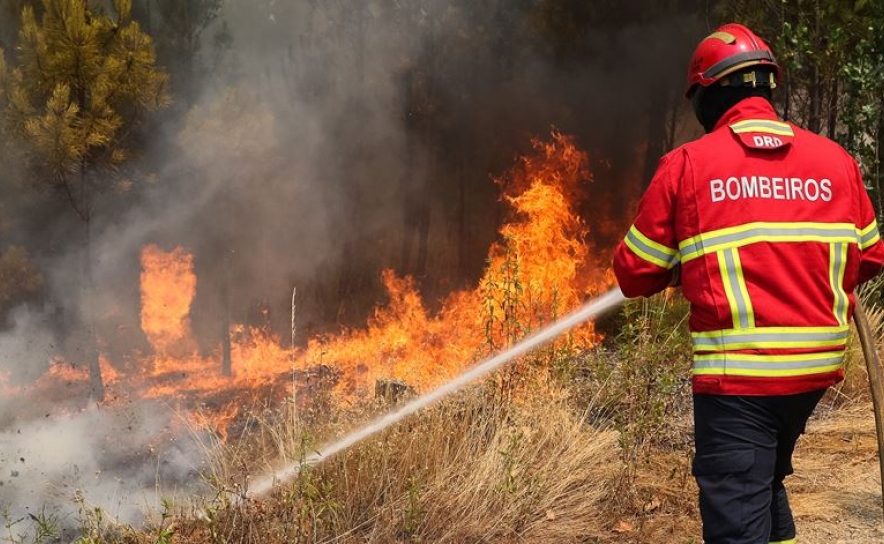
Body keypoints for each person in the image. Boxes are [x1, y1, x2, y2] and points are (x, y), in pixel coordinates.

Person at [613, 23, 884, 544]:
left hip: (739, 384)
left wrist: (680, 266)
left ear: (707, 96)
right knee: (764, 480)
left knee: (737, 509)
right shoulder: (836, 161)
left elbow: (633, 274)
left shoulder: (688, 165)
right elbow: (869, 257)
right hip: (813, 377)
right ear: (766, 87)